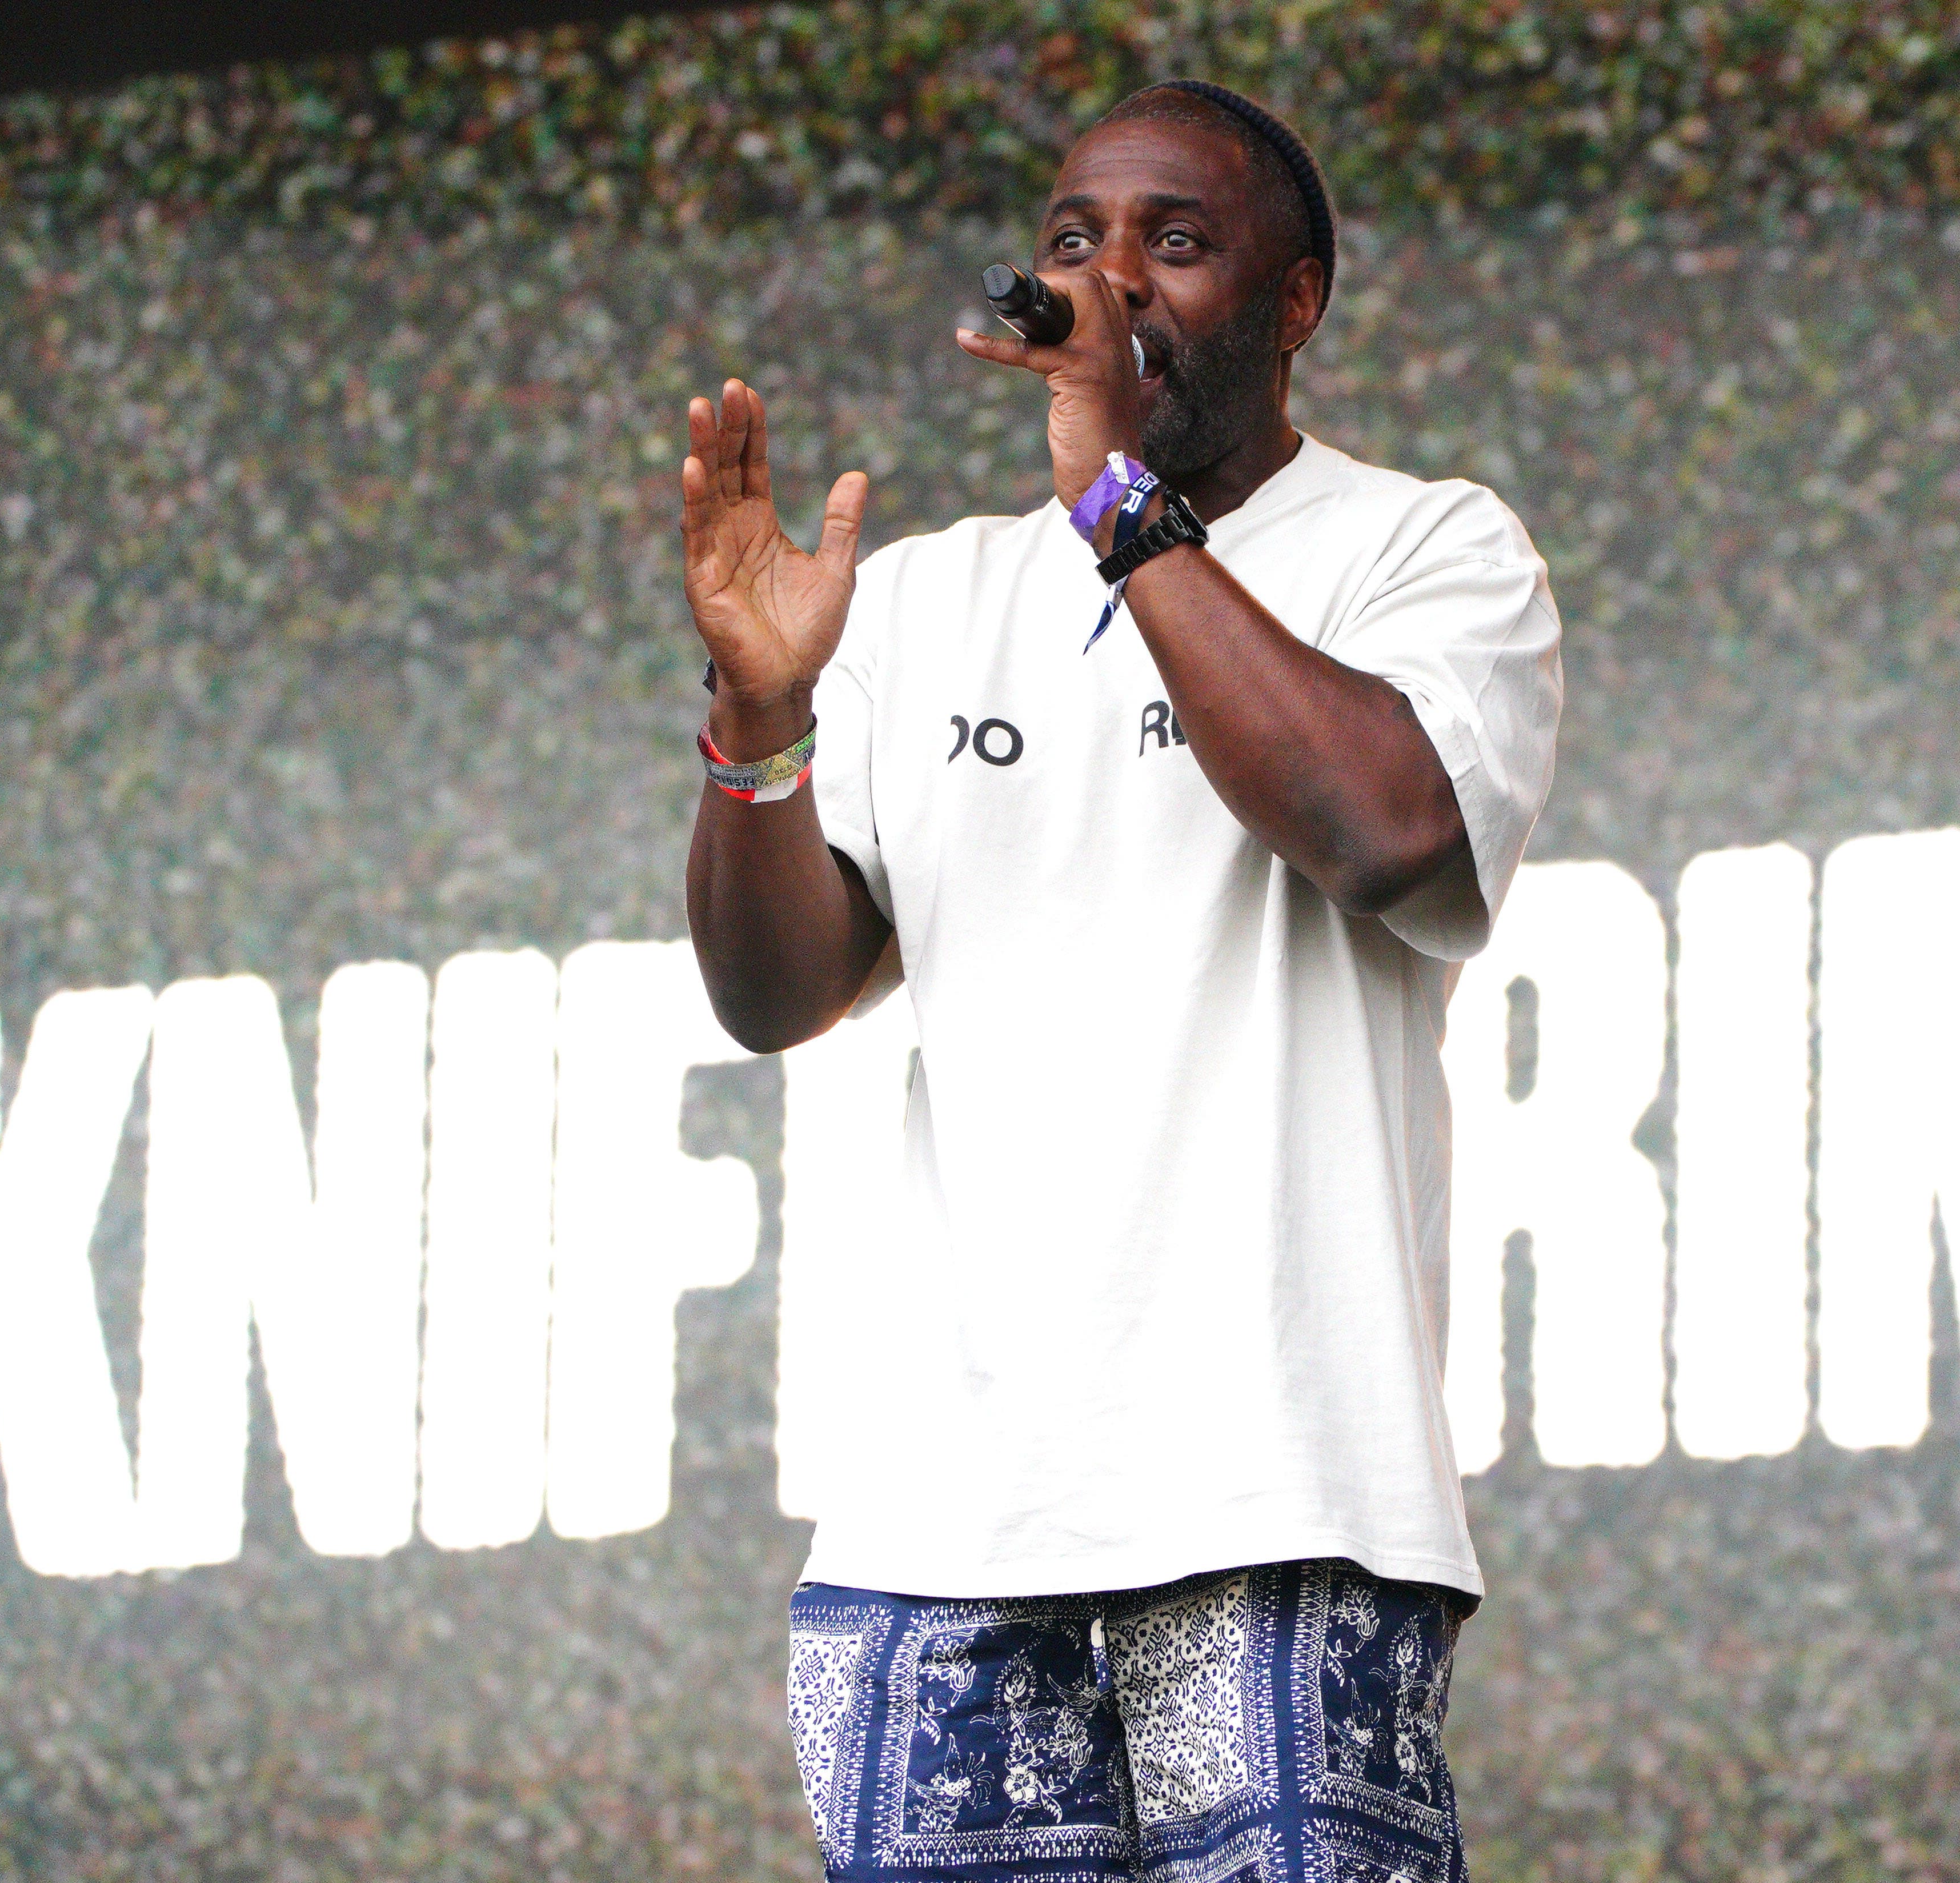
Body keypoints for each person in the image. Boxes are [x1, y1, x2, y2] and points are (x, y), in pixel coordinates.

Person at [680, 77, 1562, 1883]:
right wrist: (760, 724)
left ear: (1297, 300)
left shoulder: (1426, 549)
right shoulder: (921, 601)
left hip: (1279, 1505)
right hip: (934, 1539)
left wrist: (1124, 510)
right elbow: (778, 992)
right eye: (1076, 238)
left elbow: (1384, 827)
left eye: (1176, 242)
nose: (1108, 278)